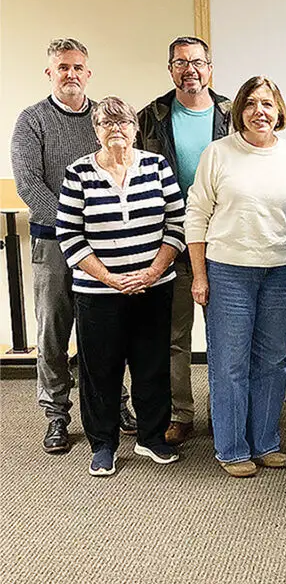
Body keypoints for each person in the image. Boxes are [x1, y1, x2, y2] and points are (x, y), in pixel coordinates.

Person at [11, 38, 136, 455]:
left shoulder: (105, 118)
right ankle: (56, 416)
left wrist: (94, 233)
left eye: (78, 67)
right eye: (62, 67)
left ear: (88, 72)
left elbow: (122, 167)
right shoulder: (32, 121)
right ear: (50, 73)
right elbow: (30, 185)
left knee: (103, 331)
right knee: (53, 331)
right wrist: (74, 226)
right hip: (53, 245)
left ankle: (115, 405)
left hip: (103, 247)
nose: (70, 74)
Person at [185, 76, 286, 478]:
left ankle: (266, 442)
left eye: (268, 104)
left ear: (279, 111)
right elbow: (196, 215)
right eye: (252, 103)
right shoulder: (217, 154)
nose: (260, 111)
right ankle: (232, 448)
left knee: (273, 362)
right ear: (239, 109)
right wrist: (200, 276)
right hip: (228, 272)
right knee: (230, 364)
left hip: (282, 271)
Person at [55, 96, 185, 476]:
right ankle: (104, 443)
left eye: (123, 123)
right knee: (101, 369)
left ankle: (151, 437)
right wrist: (111, 279)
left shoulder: (157, 166)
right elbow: (70, 238)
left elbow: (176, 225)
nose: (116, 130)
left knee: (153, 362)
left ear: (135, 127)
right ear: (95, 131)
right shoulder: (78, 174)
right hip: (98, 292)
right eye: (106, 124)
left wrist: (151, 273)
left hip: (154, 285)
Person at [136, 36, 232, 446]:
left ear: (210, 68)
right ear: (170, 68)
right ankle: (181, 413)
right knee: (175, 335)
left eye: (197, 62)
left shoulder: (234, 112)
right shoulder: (150, 118)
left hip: (227, 240)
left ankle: (224, 413)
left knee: (226, 335)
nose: (189, 69)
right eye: (180, 62)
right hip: (170, 239)